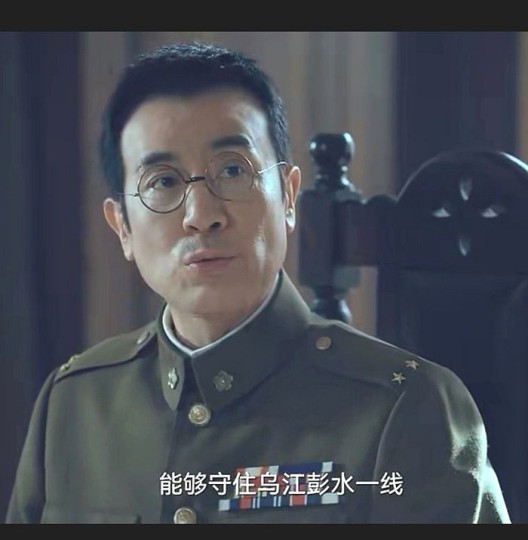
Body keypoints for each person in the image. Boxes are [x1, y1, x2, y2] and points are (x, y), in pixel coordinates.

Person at [5, 41, 511, 525]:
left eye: (232, 170)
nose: (201, 215)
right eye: (163, 181)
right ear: (122, 228)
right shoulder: (72, 405)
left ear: (288, 197)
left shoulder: (404, 407)